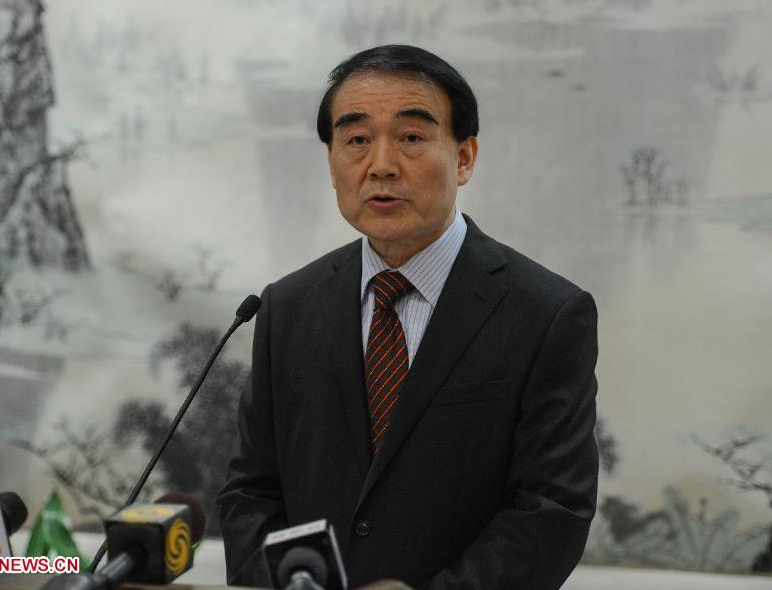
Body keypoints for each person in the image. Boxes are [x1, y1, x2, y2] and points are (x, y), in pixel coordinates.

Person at [218, 44, 599, 590]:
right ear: (332, 163)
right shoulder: (287, 308)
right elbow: (250, 494)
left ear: (464, 157)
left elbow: (551, 510)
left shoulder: (546, 314)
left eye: (412, 137)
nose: (381, 165)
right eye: (355, 140)